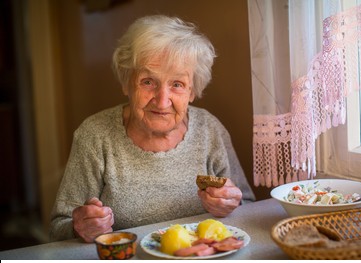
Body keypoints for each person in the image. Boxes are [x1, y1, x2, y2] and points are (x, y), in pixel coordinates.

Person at [49, 15, 255, 243]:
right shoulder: (95, 135)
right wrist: (80, 228)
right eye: (148, 81)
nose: (162, 100)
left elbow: (247, 206)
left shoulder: (210, 129)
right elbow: (60, 226)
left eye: (177, 84)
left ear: (193, 91)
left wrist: (231, 206)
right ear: (127, 83)